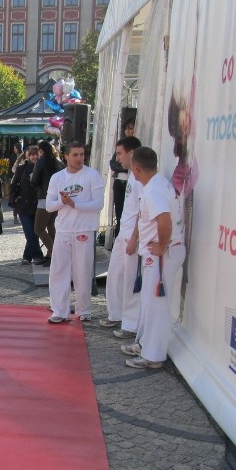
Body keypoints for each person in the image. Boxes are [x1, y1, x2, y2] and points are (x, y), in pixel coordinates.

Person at [120, 147, 185, 369]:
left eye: (133, 170)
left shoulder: (152, 191)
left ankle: (153, 355)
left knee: (156, 306)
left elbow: (164, 221)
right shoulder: (158, 184)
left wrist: (161, 247)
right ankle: (145, 343)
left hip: (162, 255)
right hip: (160, 254)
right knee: (149, 303)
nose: (133, 175)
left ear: (137, 168)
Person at [45, 141, 104, 324]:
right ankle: (59, 310)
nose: (79, 158)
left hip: (84, 228)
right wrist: (64, 202)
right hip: (63, 229)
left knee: (83, 271)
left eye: (81, 154)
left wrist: (75, 204)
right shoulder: (57, 178)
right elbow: (49, 206)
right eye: (75, 155)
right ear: (66, 156)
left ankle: (84, 309)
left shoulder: (92, 175)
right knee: (59, 271)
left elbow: (98, 204)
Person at [101, 136, 143, 336]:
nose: (117, 158)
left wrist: (134, 238)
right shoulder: (131, 175)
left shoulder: (141, 177)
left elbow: (143, 211)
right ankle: (115, 314)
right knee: (115, 275)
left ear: (131, 153)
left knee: (129, 281)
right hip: (123, 232)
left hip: (133, 236)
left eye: (119, 153)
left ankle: (131, 323)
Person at [30, 140, 63, 266]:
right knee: (51, 227)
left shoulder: (41, 161)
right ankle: (51, 255)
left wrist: (32, 178)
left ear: (41, 150)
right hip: (57, 198)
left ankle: (55, 253)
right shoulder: (58, 162)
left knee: (38, 228)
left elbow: (34, 181)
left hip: (44, 197)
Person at [10, 145, 44, 264]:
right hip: (23, 205)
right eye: (32, 154)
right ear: (28, 156)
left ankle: (26, 256)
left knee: (35, 231)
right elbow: (14, 185)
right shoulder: (22, 168)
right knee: (29, 231)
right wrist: (14, 198)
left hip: (38, 204)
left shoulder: (43, 168)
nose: (34, 157)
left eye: (36, 154)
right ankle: (38, 255)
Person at [110, 119, 136, 237]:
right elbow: (113, 164)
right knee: (120, 212)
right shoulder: (120, 145)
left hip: (129, 182)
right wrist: (123, 167)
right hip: (119, 182)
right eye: (126, 129)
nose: (128, 131)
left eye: (131, 128)